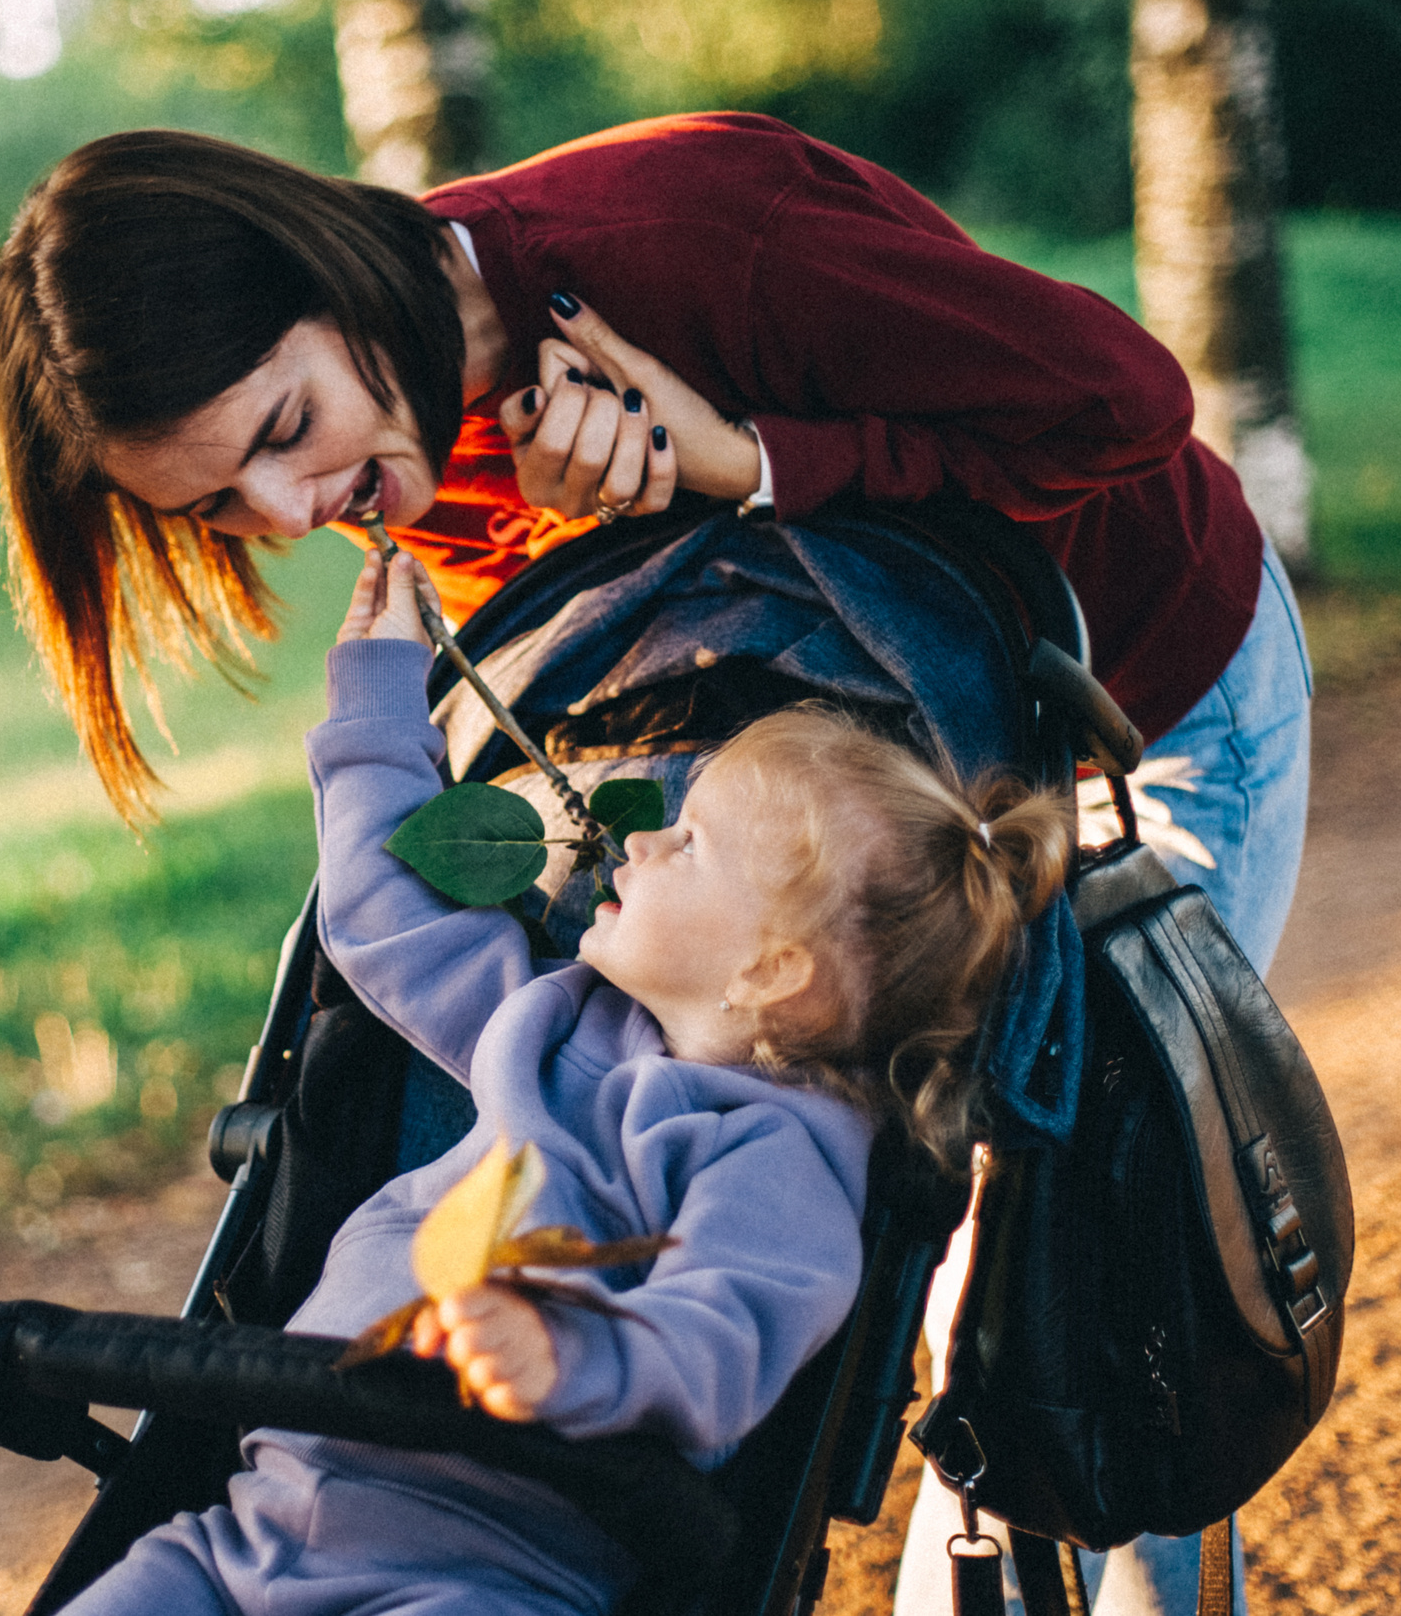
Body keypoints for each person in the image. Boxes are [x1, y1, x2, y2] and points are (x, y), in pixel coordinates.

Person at [0, 114, 1312, 1610]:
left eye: (283, 433)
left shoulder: (693, 242)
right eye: (218, 502)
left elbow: (1121, 404)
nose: (285, 516)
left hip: (1133, 678)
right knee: (938, 1263)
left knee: (1073, 1291)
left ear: (336, 277)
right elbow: (641, 661)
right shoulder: (401, 450)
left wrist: (741, 457)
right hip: (797, 830)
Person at [60, 549, 1076, 1616]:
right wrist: (375, 691)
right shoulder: (550, 1019)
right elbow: (384, 921)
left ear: (769, 970)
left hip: (482, 1567)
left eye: (685, 844)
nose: (637, 835)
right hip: (252, 1521)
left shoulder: (777, 1156)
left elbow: (718, 1338)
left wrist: (564, 1354)